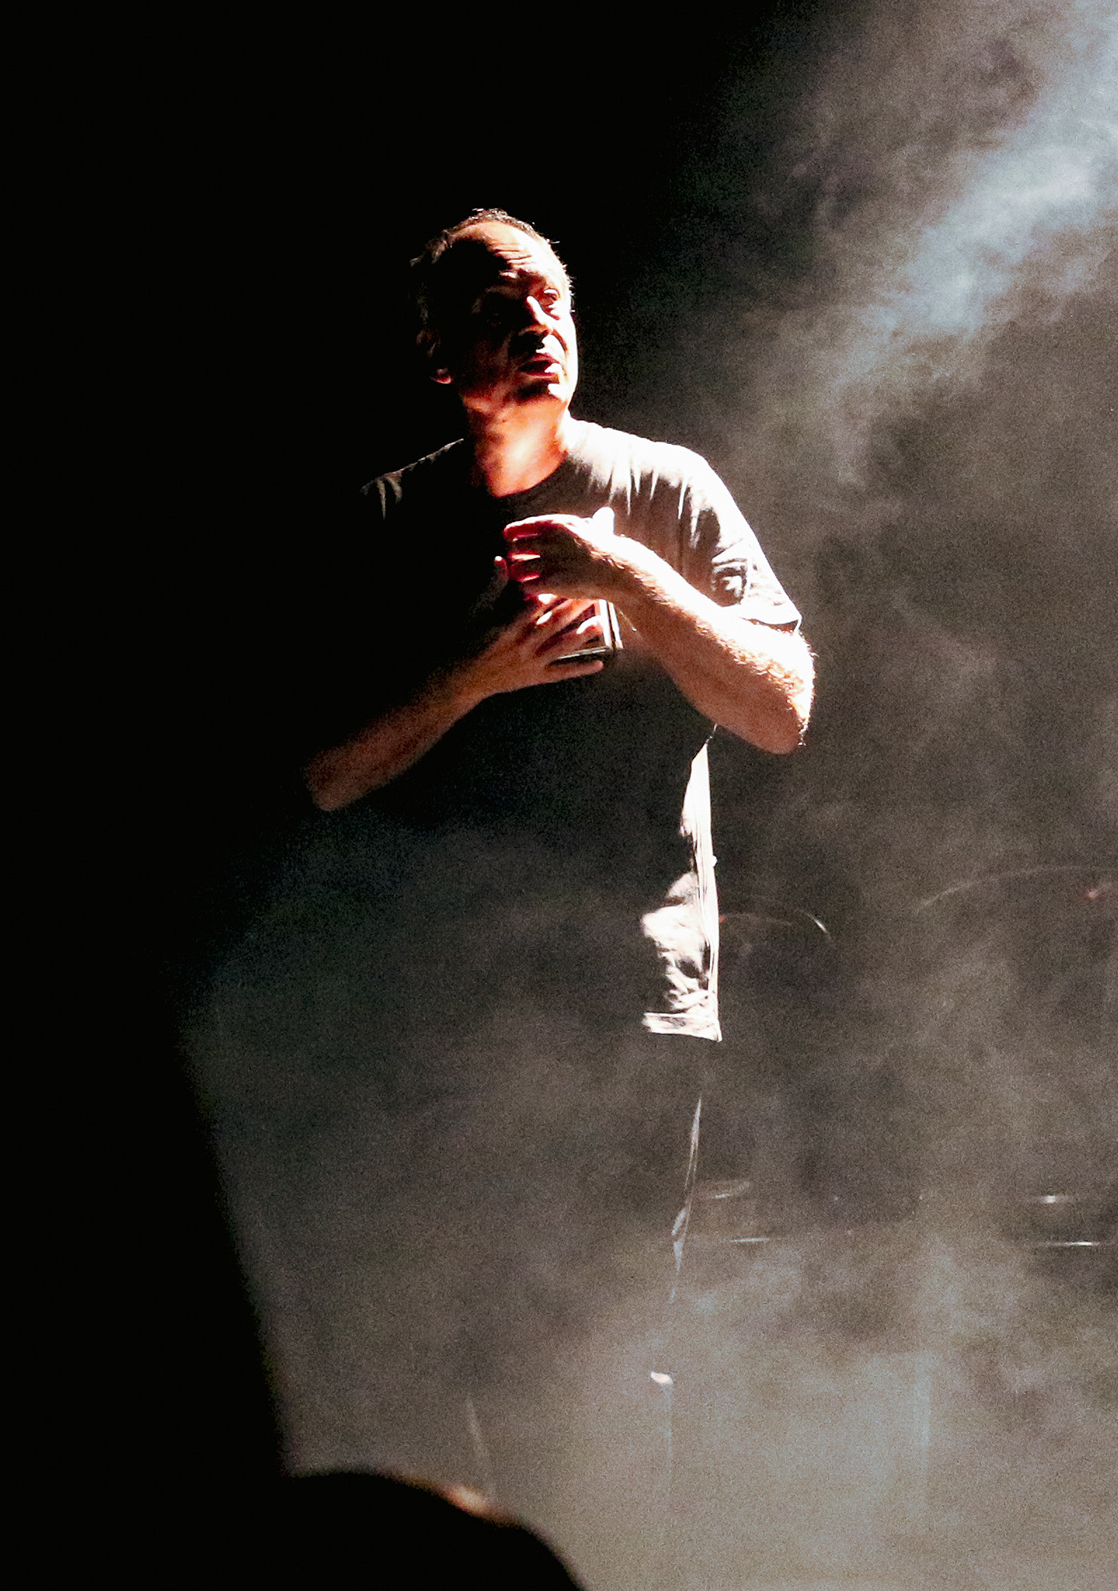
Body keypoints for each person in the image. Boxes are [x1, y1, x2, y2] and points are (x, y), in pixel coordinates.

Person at [303, 207, 810, 1039]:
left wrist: (631, 578)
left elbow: (784, 712)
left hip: (630, 1000)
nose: (537, 325)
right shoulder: (387, 516)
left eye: (551, 303)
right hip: (425, 995)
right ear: (437, 354)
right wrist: (474, 675)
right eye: (498, 309)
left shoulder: (668, 487)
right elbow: (326, 779)